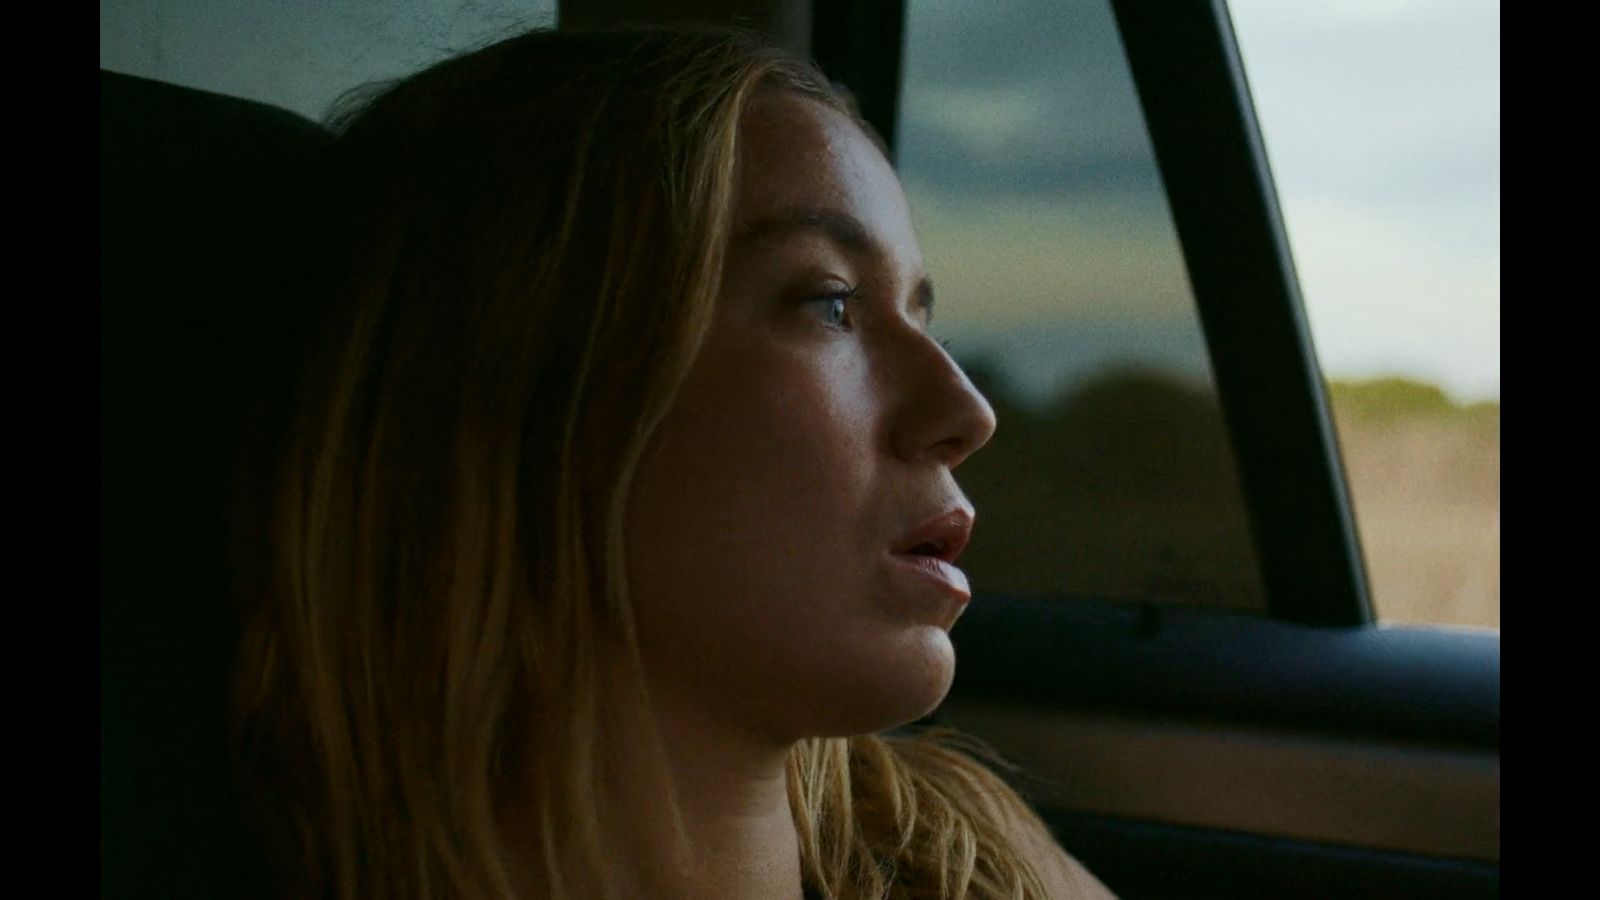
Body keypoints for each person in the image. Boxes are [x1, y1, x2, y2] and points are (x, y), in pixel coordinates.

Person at [230, 24, 1115, 900]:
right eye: (831, 304)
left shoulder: (971, 862)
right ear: (530, 394)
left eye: (923, 322)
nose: (966, 412)